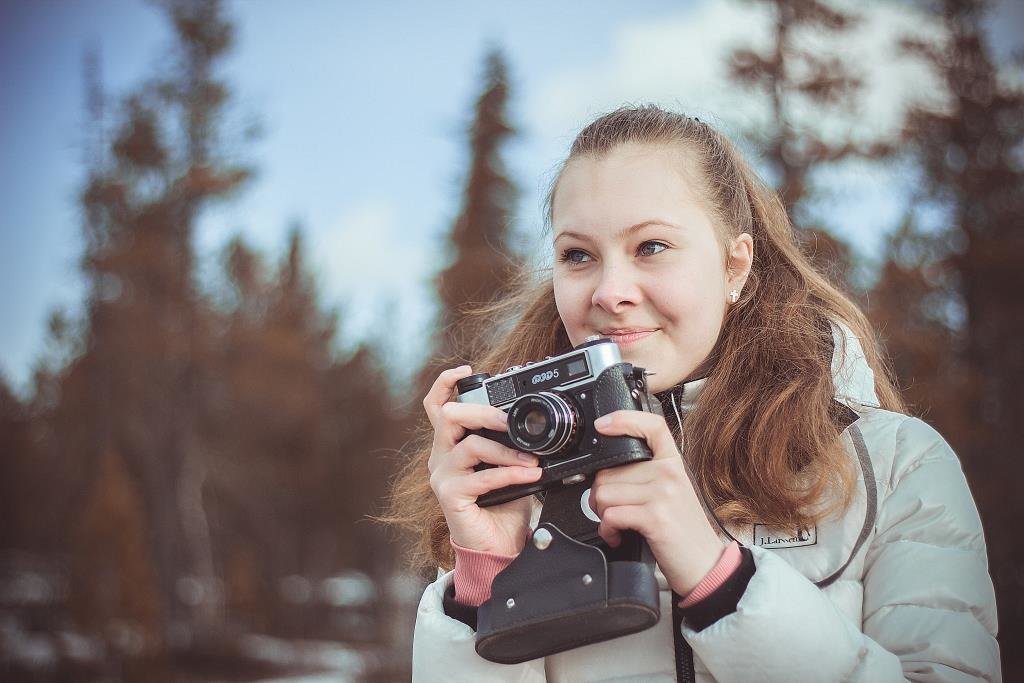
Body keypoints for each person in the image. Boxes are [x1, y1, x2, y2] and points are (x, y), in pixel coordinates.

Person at [385, 105, 1001, 681]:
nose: (609, 291)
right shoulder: (514, 483)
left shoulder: (896, 466)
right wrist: (485, 590)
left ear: (736, 266)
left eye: (650, 247)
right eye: (578, 255)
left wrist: (720, 578)